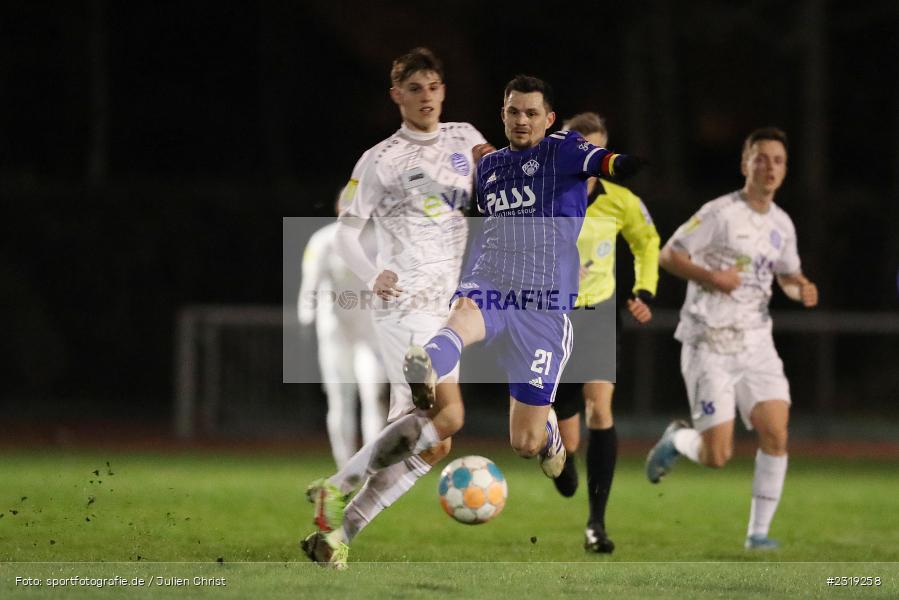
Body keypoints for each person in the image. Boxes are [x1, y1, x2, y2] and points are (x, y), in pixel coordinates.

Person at [305, 73, 643, 565]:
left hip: (542, 310)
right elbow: (380, 212)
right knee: (449, 385)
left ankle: (342, 518)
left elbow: (603, 165)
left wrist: (620, 161)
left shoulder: (512, 148)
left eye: (531, 113)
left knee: (507, 439)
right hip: (468, 291)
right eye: (513, 111)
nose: (521, 119)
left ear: (548, 118)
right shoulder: (455, 163)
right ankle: (351, 476)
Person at [301, 47, 488, 569]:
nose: (426, 96)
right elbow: (345, 233)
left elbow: (501, 174)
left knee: (433, 443)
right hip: (405, 304)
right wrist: (371, 275)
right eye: (414, 88)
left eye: (433, 87)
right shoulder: (380, 160)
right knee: (448, 415)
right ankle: (339, 483)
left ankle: (336, 535)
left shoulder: (465, 138)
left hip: (446, 307)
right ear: (396, 96)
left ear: (444, 91)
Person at [645, 127, 818, 550]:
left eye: (778, 160)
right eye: (761, 158)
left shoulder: (782, 224)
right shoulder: (720, 213)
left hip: (756, 342)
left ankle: (757, 535)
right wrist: (712, 277)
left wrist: (801, 288)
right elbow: (669, 255)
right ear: (745, 164)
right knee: (717, 455)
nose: (769, 167)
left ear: (785, 169)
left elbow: (787, 274)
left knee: (776, 433)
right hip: (709, 343)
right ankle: (677, 439)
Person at [550, 112, 660, 554]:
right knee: (567, 441)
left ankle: (596, 524)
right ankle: (559, 458)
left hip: (597, 314)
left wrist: (644, 290)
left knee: (600, 408)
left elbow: (647, 241)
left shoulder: (620, 200)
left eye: (596, 151)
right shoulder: (546, 194)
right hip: (551, 318)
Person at [297, 196, 387, 469]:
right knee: (340, 400)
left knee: (373, 396)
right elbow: (309, 287)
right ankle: (345, 466)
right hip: (335, 332)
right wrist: (306, 318)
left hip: (370, 333)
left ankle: (369, 465)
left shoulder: (382, 241)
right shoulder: (323, 241)